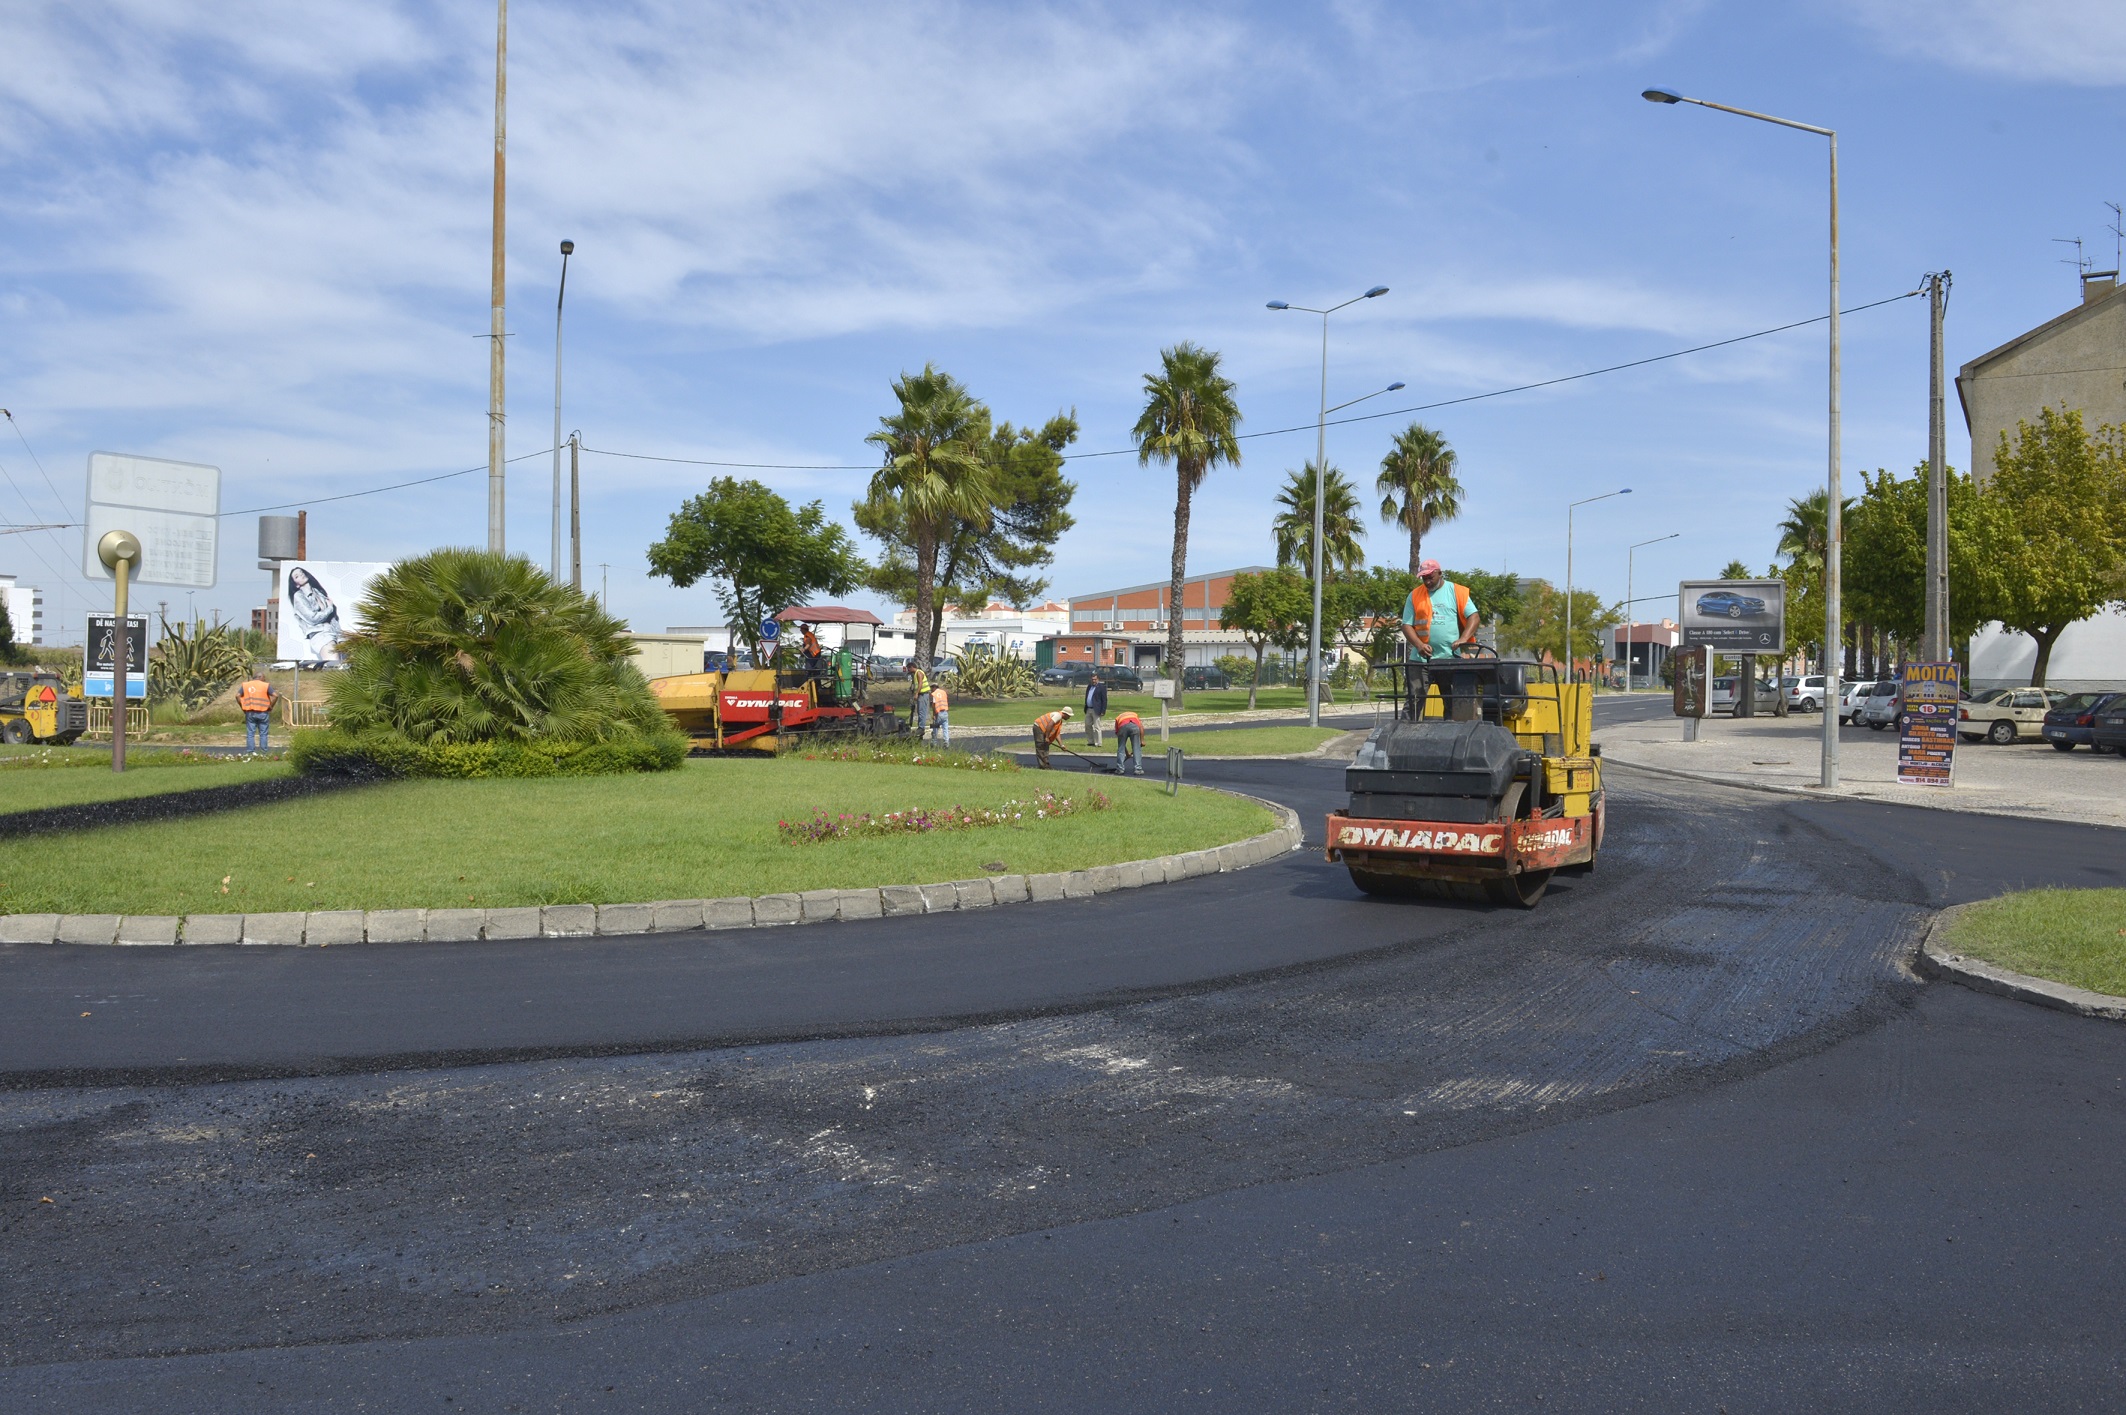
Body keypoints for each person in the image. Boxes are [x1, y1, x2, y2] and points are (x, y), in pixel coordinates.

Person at [1401, 558, 1480, 662]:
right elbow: (1406, 625)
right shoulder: (1414, 595)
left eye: (1430, 577)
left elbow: (1474, 616)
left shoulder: (1456, 591)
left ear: (1439, 573)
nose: (1427, 582)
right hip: (1420, 660)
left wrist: (1463, 638)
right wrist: (1419, 645)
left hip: (1450, 658)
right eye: (1424, 578)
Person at [237, 673, 276, 752]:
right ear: (260, 677)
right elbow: (276, 695)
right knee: (263, 734)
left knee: (250, 734)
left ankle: (250, 752)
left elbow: (237, 695)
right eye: (264, 677)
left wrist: (243, 707)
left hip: (250, 712)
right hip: (263, 712)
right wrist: (271, 706)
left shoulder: (246, 685)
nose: (265, 679)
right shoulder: (265, 685)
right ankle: (264, 752)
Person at [1112, 707, 1144, 776]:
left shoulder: (1118, 718)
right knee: (1136, 748)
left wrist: (1126, 752)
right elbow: (1141, 727)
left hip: (1122, 726)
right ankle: (1138, 769)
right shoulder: (1135, 715)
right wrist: (1142, 741)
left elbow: (1121, 743)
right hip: (1134, 727)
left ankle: (1120, 769)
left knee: (1121, 748)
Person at [1083, 673, 1107, 746]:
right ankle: (1091, 741)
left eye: (1095, 679)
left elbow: (1104, 700)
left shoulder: (1101, 687)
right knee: (1087, 725)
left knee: (1097, 727)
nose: (1093, 681)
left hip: (1096, 710)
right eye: (1092, 679)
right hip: (1088, 709)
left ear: (1098, 679)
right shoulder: (1089, 686)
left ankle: (1098, 743)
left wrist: (1103, 711)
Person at [910, 660, 931, 736]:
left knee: (922, 711)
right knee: (920, 711)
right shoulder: (915, 674)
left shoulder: (919, 673)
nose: (909, 671)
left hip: (923, 694)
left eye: (909, 669)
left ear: (912, 667)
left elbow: (920, 684)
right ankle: (920, 727)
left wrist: (916, 693)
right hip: (921, 695)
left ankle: (921, 728)